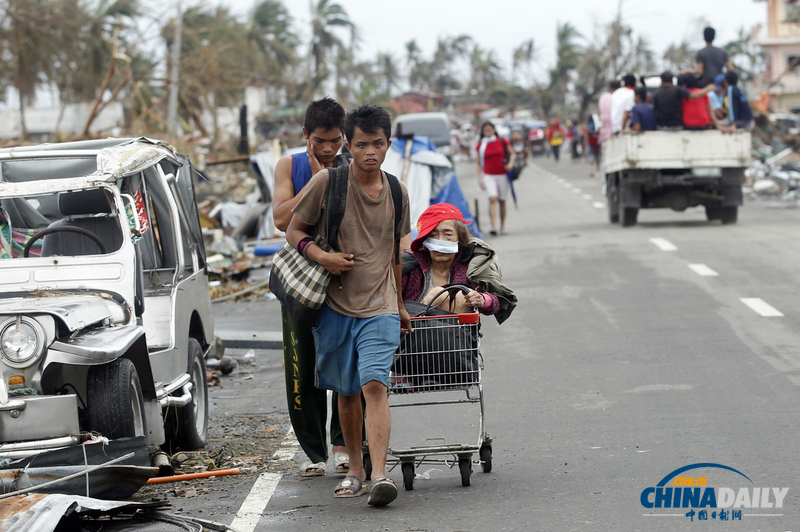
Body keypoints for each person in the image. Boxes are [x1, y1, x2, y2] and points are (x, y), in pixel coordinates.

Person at [286, 103, 411, 506]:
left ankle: (378, 474)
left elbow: (394, 250)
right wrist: (323, 257)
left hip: (381, 305)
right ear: (349, 145)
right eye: (361, 144)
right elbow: (293, 230)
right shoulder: (329, 182)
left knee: (374, 385)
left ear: (389, 144)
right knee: (345, 391)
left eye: (378, 143)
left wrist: (402, 302)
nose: (370, 152)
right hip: (335, 306)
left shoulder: (397, 190)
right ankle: (354, 470)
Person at [272, 97, 349, 478]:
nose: (330, 148)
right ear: (306, 135)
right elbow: (279, 218)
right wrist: (318, 182)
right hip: (301, 281)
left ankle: (343, 445)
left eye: (336, 139)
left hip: (344, 275)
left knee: (345, 361)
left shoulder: (354, 164)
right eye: (321, 140)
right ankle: (314, 452)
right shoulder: (291, 165)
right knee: (302, 365)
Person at [401, 203, 516, 322]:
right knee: (439, 293)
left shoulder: (471, 264)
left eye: (448, 234)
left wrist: (481, 299)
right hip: (416, 334)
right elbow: (390, 299)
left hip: (457, 336)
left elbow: (496, 301)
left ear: (459, 237)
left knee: (460, 293)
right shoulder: (411, 265)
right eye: (433, 235)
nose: (440, 241)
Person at [476, 122, 514, 236]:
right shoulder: (481, 145)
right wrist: (480, 179)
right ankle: (494, 226)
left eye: (490, 130)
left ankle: (502, 226)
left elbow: (512, 154)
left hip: (502, 174)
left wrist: (511, 164)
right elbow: (478, 163)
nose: (488, 132)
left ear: (494, 130)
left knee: (502, 200)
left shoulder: (502, 141)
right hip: (488, 175)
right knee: (492, 198)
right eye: (485, 130)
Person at [599, 80, 620, 145]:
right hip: (616, 132)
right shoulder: (617, 97)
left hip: (604, 134)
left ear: (610, 87)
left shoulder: (604, 97)